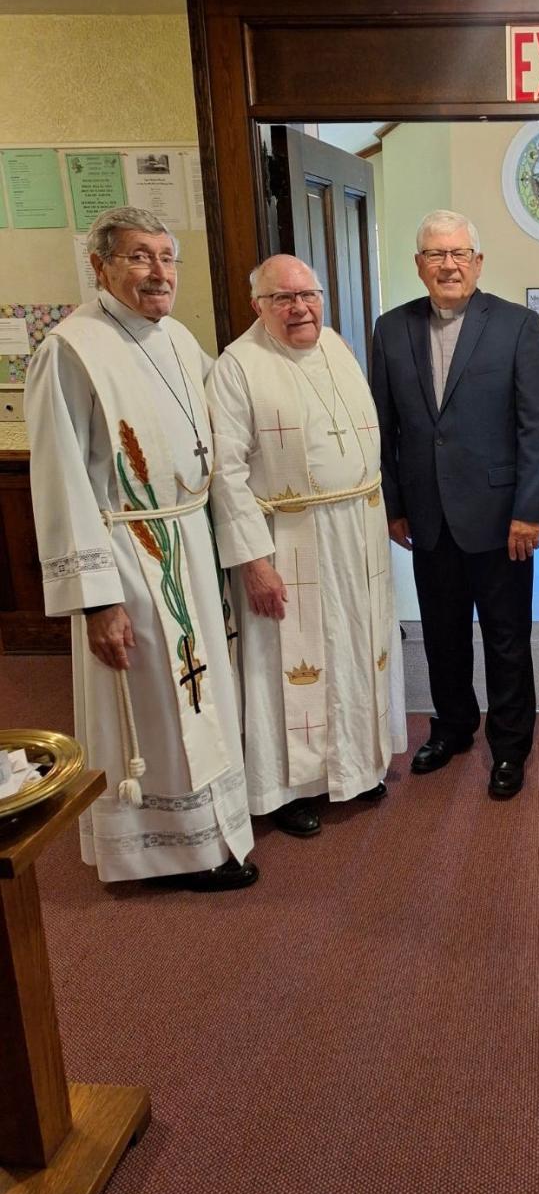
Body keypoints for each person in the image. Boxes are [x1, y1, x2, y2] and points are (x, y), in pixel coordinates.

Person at [25, 207, 257, 890]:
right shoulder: (69, 350)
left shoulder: (180, 340)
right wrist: (97, 601)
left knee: (202, 692)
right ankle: (164, 851)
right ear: (98, 267)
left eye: (166, 256)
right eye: (138, 257)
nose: (159, 273)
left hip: (188, 536)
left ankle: (215, 828)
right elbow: (63, 482)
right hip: (130, 554)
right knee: (158, 701)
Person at [206, 254, 406, 837]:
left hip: (356, 532)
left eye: (308, 295)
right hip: (288, 537)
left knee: (356, 642)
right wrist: (253, 561)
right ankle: (288, 788)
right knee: (289, 660)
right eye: (283, 298)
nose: (299, 308)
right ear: (258, 306)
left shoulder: (336, 347)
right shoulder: (238, 367)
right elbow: (226, 471)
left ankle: (356, 766)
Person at [371, 210, 539, 800]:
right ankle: (451, 727)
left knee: (505, 637)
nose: (448, 264)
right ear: (418, 265)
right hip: (427, 514)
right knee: (441, 632)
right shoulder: (391, 328)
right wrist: (393, 504)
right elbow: (385, 425)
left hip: (502, 515)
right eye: (435, 254)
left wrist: (530, 511)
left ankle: (510, 746)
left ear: (478, 261)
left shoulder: (516, 325)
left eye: (459, 254)